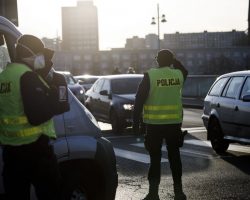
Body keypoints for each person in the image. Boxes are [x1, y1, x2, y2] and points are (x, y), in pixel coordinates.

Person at [0, 34, 69, 200]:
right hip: (36, 152)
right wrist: (54, 99)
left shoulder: (4, 77)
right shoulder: (27, 76)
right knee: (52, 194)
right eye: (39, 54)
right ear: (29, 54)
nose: (41, 59)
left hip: (10, 153)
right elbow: (36, 116)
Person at [133, 49, 188, 200]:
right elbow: (184, 70)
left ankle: (153, 193)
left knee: (155, 158)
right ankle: (178, 192)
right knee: (175, 157)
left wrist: (135, 123)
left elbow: (138, 101)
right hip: (174, 124)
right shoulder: (178, 75)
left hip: (154, 125)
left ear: (157, 61)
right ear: (171, 61)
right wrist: (174, 61)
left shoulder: (150, 76)